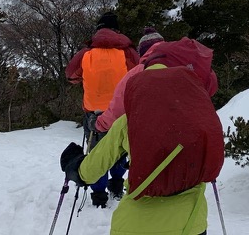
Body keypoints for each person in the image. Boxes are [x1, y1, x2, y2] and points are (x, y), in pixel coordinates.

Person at [60, 61, 225, 235]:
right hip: (192, 225)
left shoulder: (128, 122)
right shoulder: (196, 123)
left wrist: (74, 165)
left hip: (135, 226)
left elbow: (90, 171)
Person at [66, 11, 139, 207]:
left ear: (98, 30)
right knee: (121, 149)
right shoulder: (128, 52)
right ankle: (116, 184)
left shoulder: (86, 53)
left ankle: (98, 196)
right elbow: (141, 74)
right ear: (118, 31)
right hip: (122, 113)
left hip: (94, 114)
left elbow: (71, 75)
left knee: (96, 153)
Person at [94, 34, 217, 134]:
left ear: (143, 52)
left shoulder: (140, 72)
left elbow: (118, 108)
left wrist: (100, 123)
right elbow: (211, 86)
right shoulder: (183, 59)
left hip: (161, 135)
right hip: (198, 128)